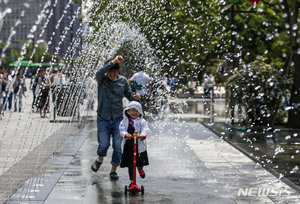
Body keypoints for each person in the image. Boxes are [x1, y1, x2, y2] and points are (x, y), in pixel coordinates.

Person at [91, 55, 141, 180]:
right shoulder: (102, 79)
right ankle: (100, 159)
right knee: (104, 144)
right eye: (110, 71)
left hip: (119, 119)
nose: (112, 74)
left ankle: (113, 170)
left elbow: (129, 95)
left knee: (118, 146)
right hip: (103, 117)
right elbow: (98, 72)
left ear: (118, 71)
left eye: (114, 71)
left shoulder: (123, 81)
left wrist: (134, 98)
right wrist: (113, 61)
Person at [119, 101, 149, 187]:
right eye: (132, 110)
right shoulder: (125, 121)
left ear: (140, 112)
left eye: (136, 111)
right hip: (129, 145)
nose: (134, 113)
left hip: (139, 144)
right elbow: (121, 129)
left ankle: (140, 169)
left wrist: (143, 135)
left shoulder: (142, 121)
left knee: (140, 162)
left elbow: (145, 129)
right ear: (128, 111)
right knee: (130, 165)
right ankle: (132, 182)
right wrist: (125, 134)